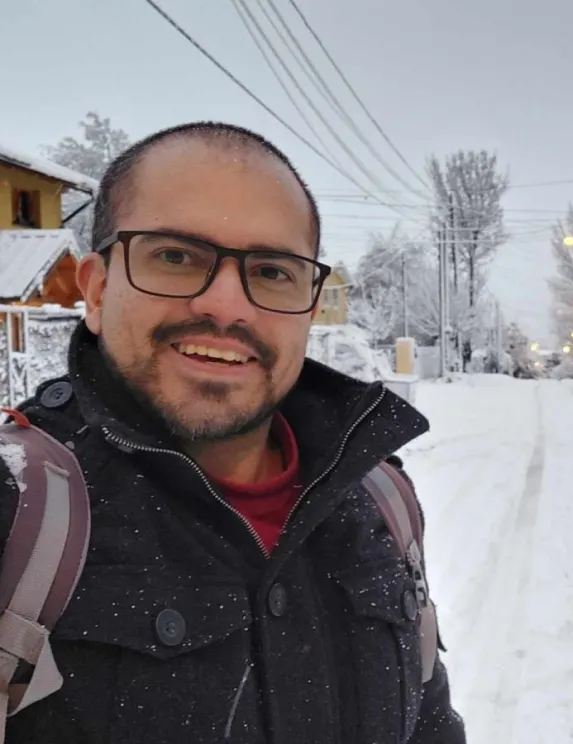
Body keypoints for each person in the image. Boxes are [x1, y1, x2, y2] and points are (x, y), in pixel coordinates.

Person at [0, 122, 466, 744]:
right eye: (175, 256)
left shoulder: (381, 501)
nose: (226, 306)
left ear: (309, 306)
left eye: (272, 271)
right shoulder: (21, 517)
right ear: (98, 290)